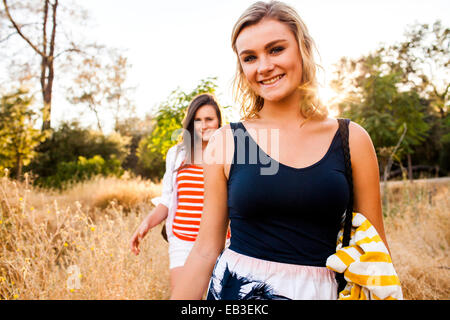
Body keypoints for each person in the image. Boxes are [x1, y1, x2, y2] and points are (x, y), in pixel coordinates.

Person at [170, 1, 390, 300]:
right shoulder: (227, 140)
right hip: (239, 294)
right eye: (249, 57)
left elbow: (376, 255)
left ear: (303, 49)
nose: (263, 67)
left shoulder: (351, 139)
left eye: (276, 49)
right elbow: (206, 249)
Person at [129, 93, 229, 292]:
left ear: (219, 122)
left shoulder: (228, 153)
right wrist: (145, 225)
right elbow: (167, 200)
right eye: (197, 120)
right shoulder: (177, 154)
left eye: (209, 119)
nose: (203, 125)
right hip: (182, 241)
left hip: (220, 243)